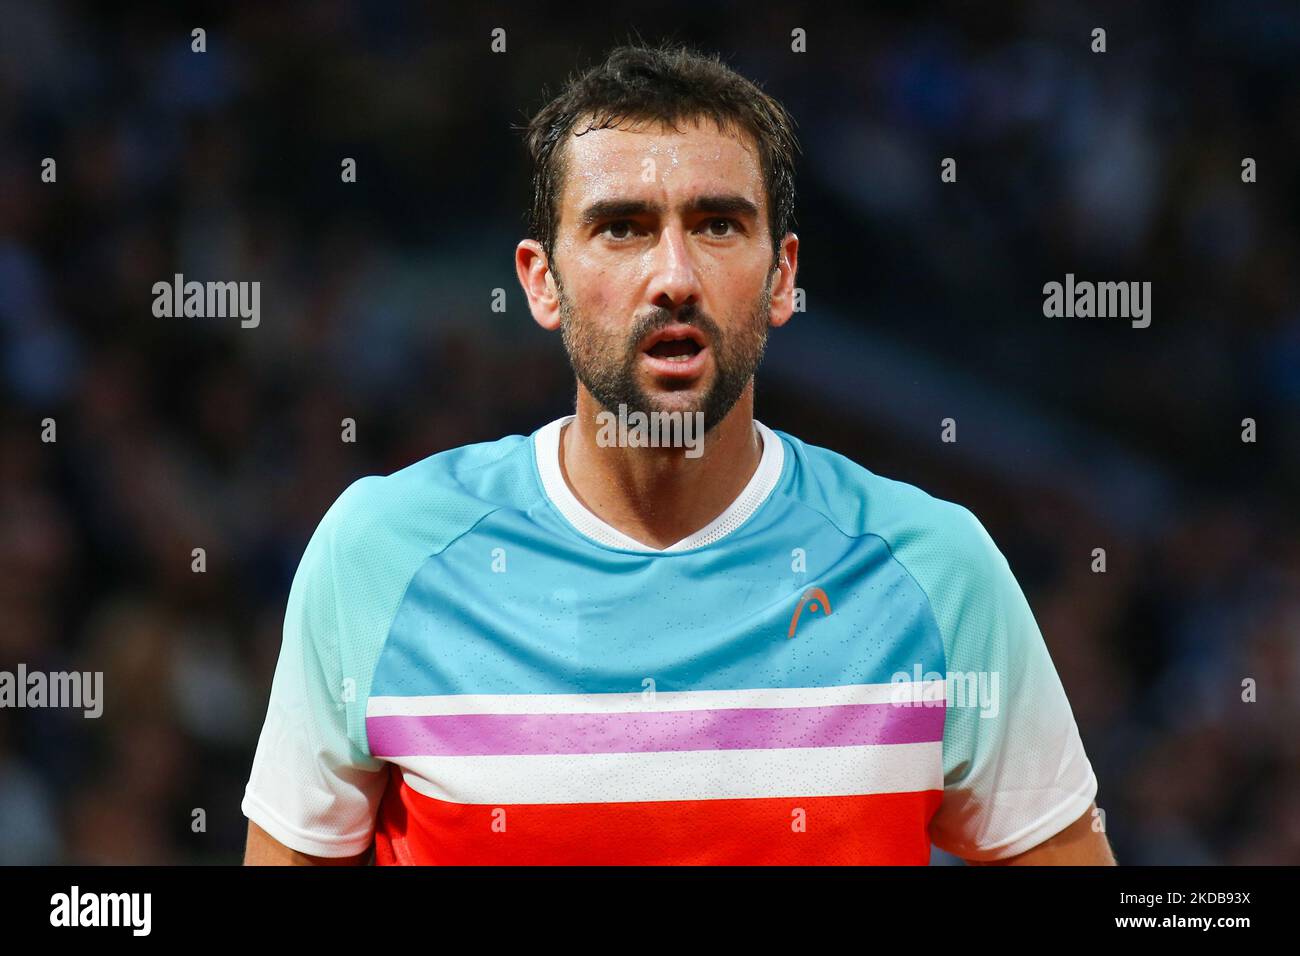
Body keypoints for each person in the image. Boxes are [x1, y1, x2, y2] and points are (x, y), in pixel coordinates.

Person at [242, 42, 1114, 865]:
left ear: (782, 277)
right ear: (542, 282)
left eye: (719, 225)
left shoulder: (936, 571)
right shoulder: (378, 558)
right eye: (621, 227)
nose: (674, 277)